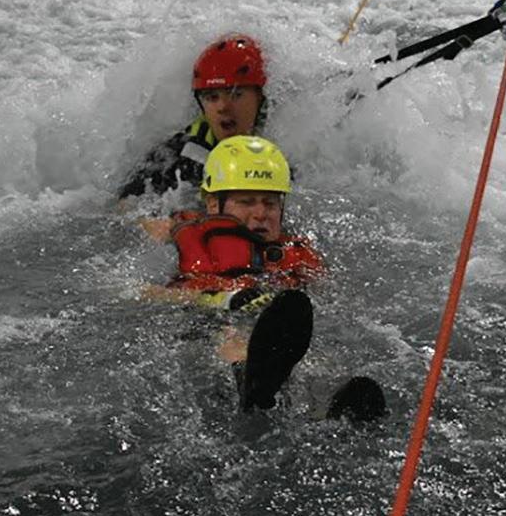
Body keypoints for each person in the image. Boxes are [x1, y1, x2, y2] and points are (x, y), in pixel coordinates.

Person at [144, 135, 385, 422]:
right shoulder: (180, 239)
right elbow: (136, 291)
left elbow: (331, 300)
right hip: (206, 320)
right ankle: (249, 380)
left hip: (272, 326)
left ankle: (329, 403)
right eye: (246, 202)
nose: (260, 214)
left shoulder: (295, 253)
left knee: (316, 356)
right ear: (213, 204)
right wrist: (219, 299)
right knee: (232, 336)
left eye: (270, 203)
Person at [118, 33, 269, 202]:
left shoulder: (285, 147)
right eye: (212, 97)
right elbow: (125, 205)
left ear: (260, 98)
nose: (223, 107)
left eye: (235, 94)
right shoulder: (177, 155)